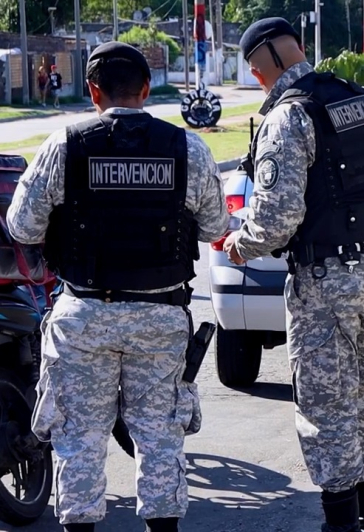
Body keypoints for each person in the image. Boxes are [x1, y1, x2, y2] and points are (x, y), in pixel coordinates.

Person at [5, 42, 229, 532]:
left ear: (92, 92)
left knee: (79, 439)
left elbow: (21, 226)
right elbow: (216, 227)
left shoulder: (64, 145)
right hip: (161, 317)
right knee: (160, 439)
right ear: (146, 90)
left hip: (84, 316)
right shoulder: (186, 148)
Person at [222, 17, 364, 532]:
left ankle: (340, 523)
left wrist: (239, 244)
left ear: (261, 68)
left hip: (329, 280)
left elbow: (275, 222)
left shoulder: (288, 116)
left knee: (327, 407)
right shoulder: (360, 98)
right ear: (298, 49)